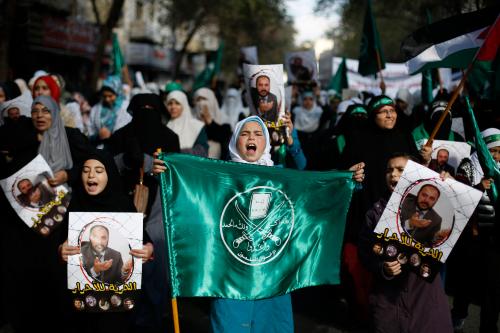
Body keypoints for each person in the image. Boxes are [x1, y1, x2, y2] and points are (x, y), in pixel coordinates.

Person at [358, 152, 453, 333]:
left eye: (401, 170)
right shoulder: (376, 212)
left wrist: (449, 187)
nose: (393, 174)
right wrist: (382, 267)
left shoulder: (436, 217)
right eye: (389, 170)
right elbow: (364, 252)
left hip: (426, 303)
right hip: (389, 304)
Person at [448, 127, 500, 332]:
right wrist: (480, 187)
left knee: (493, 286)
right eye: (492, 151)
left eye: (499, 151)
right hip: (472, 235)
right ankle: (458, 315)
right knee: (466, 281)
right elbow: (458, 198)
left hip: (495, 237)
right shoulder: (469, 166)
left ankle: (488, 327)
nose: (495, 156)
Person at [88, 75, 131, 149]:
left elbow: (128, 133)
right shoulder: (96, 109)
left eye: (110, 96)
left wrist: (111, 136)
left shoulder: (126, 108)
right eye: (104, 96)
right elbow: (90, 130)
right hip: (98, 151)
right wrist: (98, 136)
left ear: (118, 93)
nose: (107, 99)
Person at [165, 90, 208, 156]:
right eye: (170, 103)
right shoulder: (165, 126)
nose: (173, 107)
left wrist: (176, 153)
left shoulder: (197, 126)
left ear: (184, 105)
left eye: (177, 103)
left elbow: (202, 152)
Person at [193, 87, 232, 159]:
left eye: (204, 99)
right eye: (198, 100)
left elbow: (223, 138)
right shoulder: (191, 121)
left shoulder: (224, 120)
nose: (201, 103)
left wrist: (209, 121)